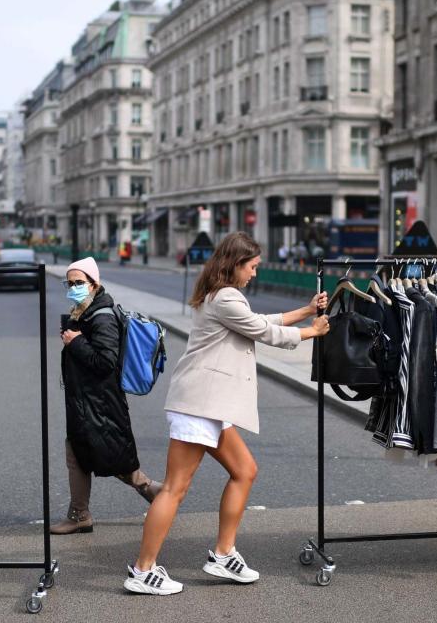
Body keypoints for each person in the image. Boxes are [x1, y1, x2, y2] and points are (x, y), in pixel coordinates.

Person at [123, 232, 330, 595]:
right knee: (174, 489)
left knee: (244, 470)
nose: (254, 274)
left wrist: (305, 310)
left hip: (210, 406)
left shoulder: (219, 294)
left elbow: (256, 319)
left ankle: (222, 554)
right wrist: (310, 331)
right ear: (235, 264)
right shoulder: (226, 297)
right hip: (199, 405)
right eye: (251, 267)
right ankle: (142, 570)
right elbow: (263, 330)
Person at [51, 257, 161, 534]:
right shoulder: (84, 312)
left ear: (94, 284)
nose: (73, 287)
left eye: (79, 283)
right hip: (87, 400)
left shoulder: (102, 316)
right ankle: (83, 512)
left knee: (101, 454)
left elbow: (105, 361)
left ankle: (153, 493)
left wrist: (75, 342)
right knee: (84, 453)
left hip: (99, 402)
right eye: (70, 282)